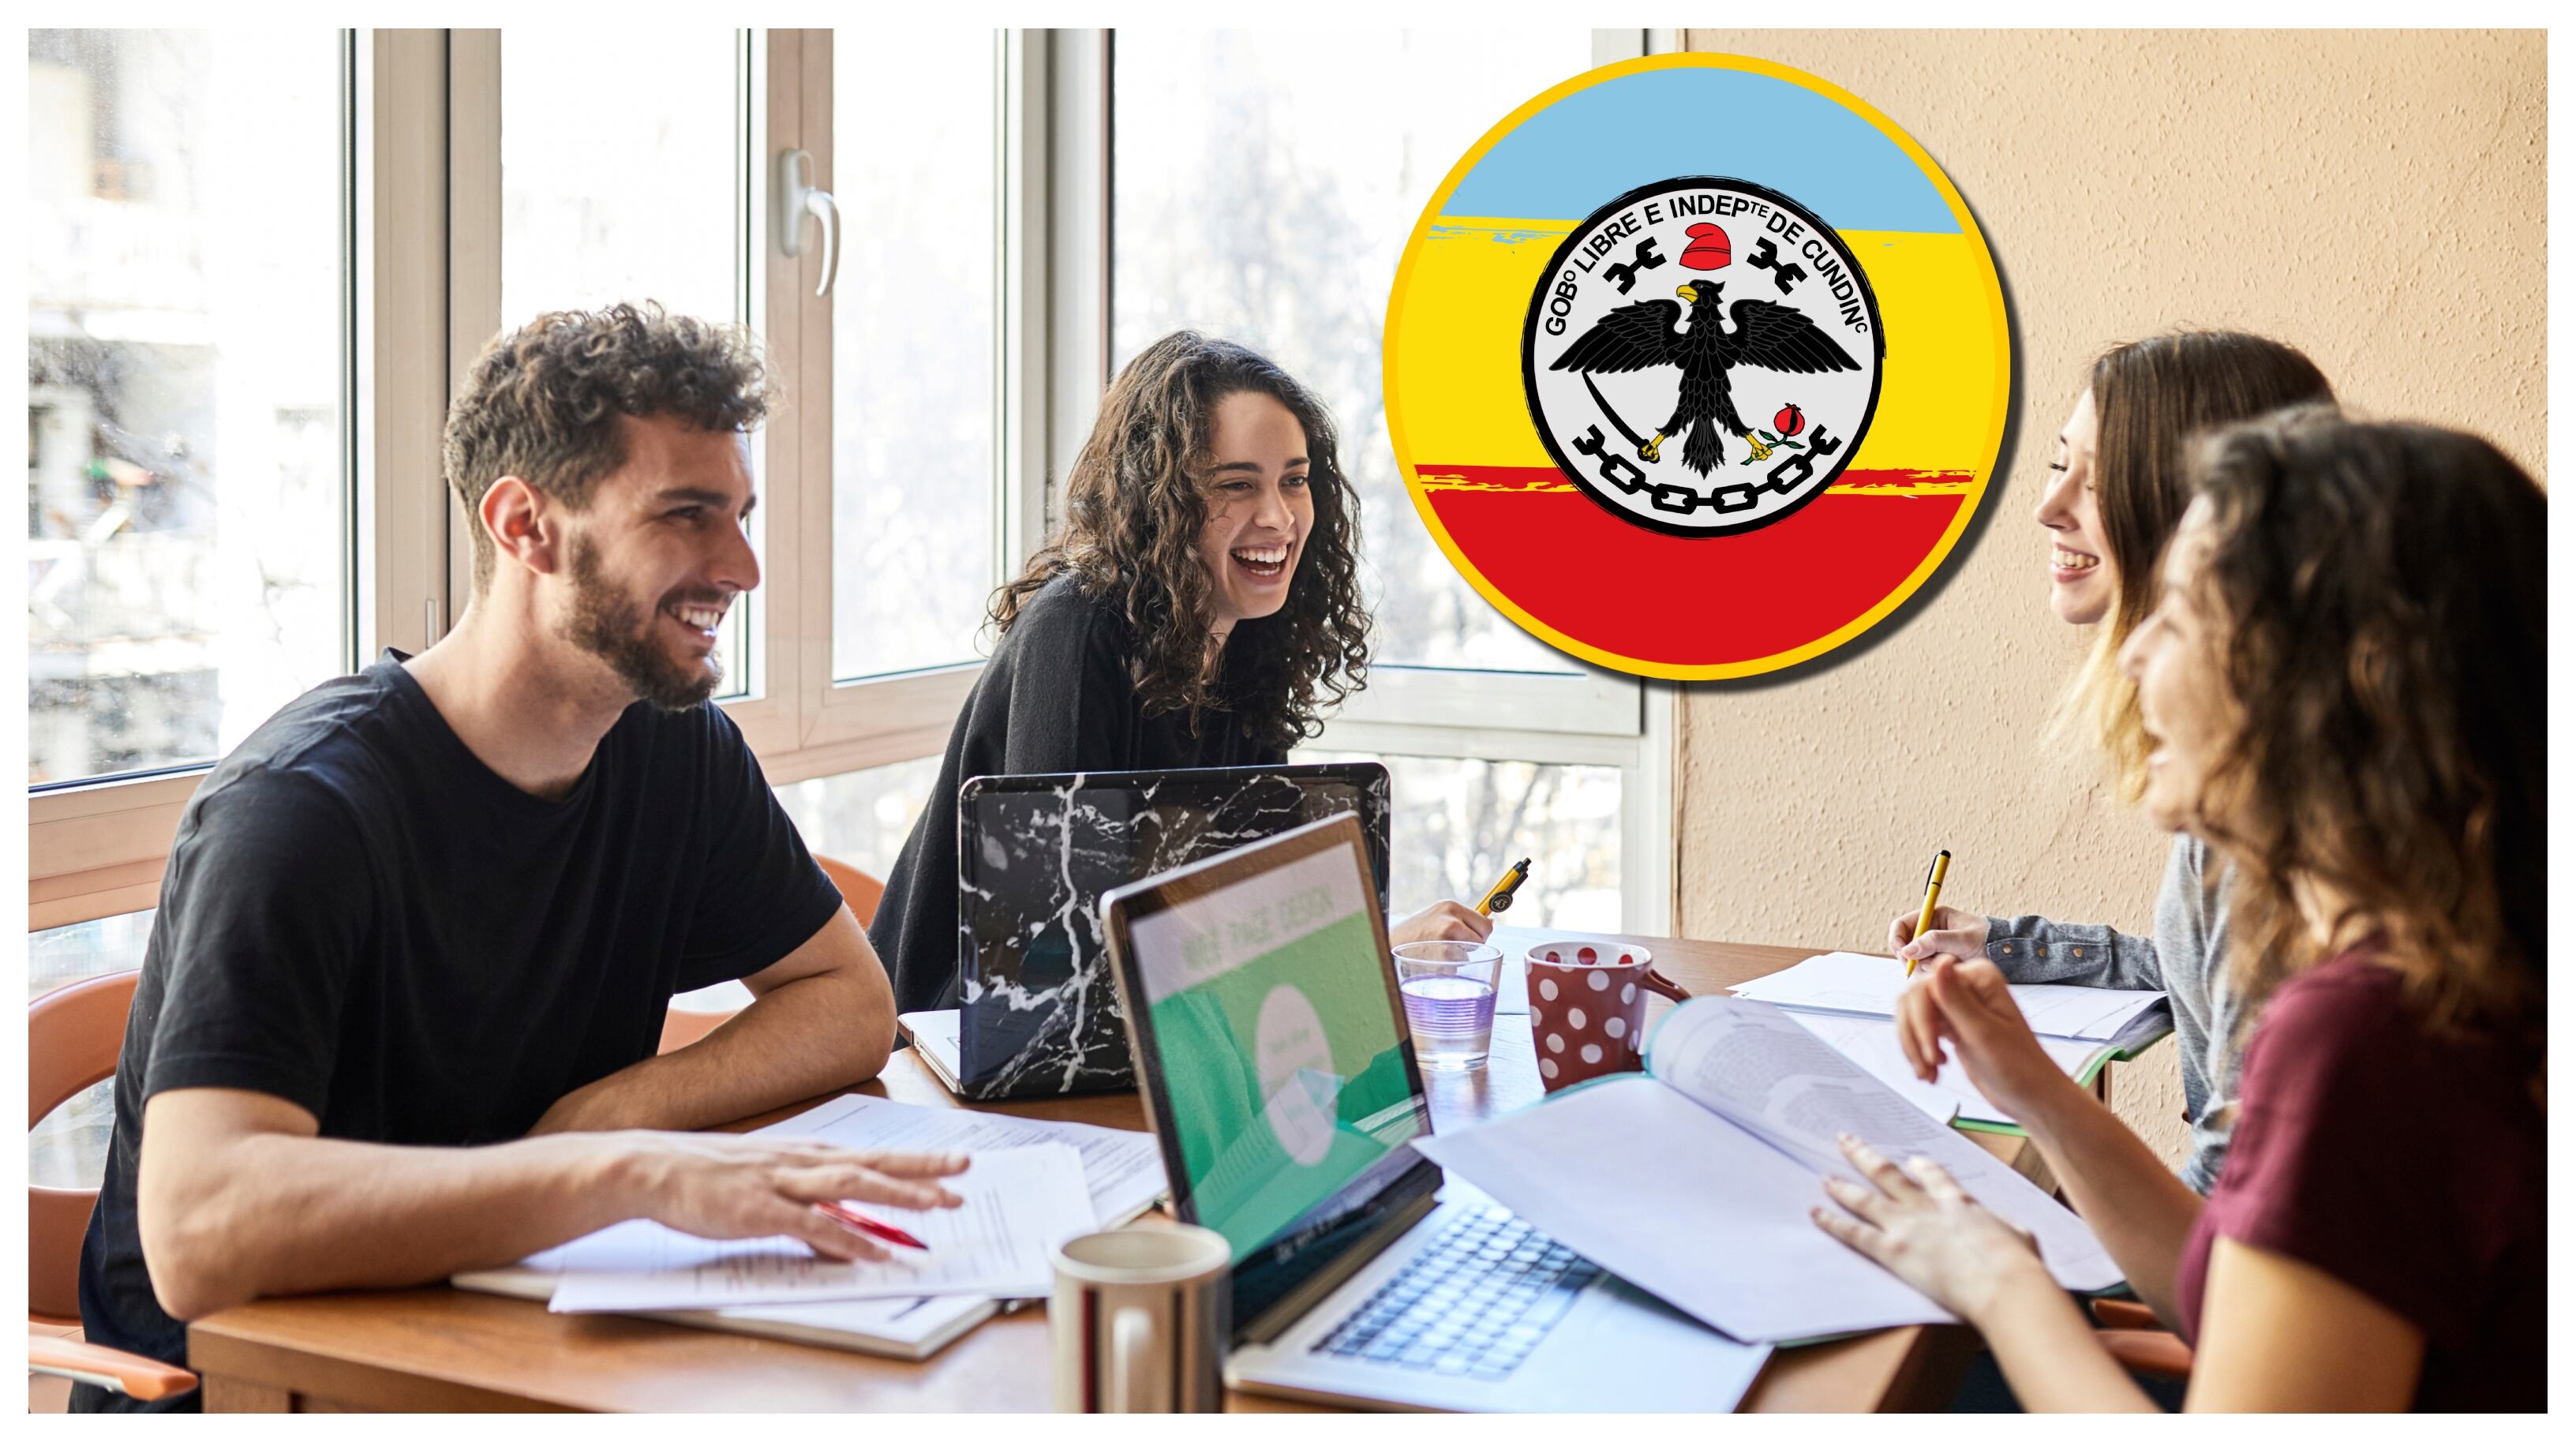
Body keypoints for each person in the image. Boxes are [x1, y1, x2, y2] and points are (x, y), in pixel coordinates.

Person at [74, 304, 967, 1411]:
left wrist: (610, 1114)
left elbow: (848, 1000)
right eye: (688, 515)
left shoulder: (670, 746)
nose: (740, 562)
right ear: (524, 524)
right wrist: (621, 1171)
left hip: (502, 1330)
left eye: (739, 513)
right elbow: (199, 1231)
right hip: (270, 1385)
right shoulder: (299, 812)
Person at [1818, 412, 2545, 1410]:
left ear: (2335, 685)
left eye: (2184, 614)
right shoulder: (2461, 979)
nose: (2132, 657)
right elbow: (2240, 1303)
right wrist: (2032, 1085)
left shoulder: (2371, 1038)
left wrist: (1999, 1282)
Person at [872, 331, 1492, 1015]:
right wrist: (1376, 950)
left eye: (1294, 479)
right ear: (1157, 498)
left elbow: (1249, 910)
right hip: (958, 1039)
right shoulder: (1075, 631)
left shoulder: (1247, 642)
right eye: (1236, 485)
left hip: (1133, 1026)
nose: (1279, 516)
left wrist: (1373, 949)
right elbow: (1053, 946)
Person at [1888, 332, 2333, 1192]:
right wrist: (2017, 947)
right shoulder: (2264, 769)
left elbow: (2238, 1221)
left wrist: (2005, 1265)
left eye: (2094, 482)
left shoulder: (2266, 814)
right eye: (2058, 468)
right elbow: (2217, 982)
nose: (2049, 507)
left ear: (2203, 512)